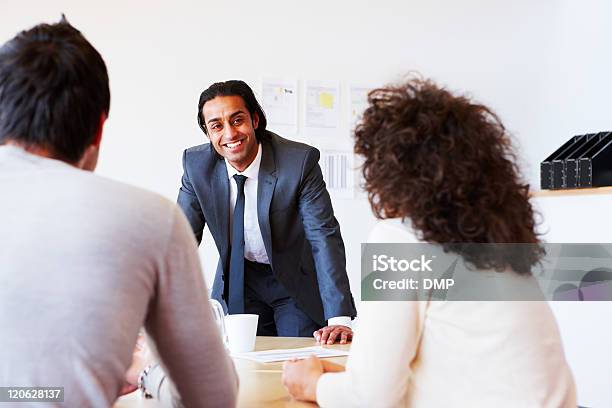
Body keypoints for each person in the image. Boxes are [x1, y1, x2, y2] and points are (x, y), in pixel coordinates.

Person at [282, 77, 577, 407]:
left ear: (391, 171)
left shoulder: (400, 239)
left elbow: (371, 399)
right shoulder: (496, 243)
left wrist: (311, 384)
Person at [0, 18, 237, 407]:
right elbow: (212, 398)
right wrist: (144, 366)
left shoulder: (297, 163)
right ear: (98, 129)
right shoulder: (150, 216)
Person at [177, 80, 356, 342]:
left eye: (237, 120)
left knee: (293, 360)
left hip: (292, 279)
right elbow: (180, 241)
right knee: (239, 362)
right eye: (216, 126)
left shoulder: (299, 162)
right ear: (207, 133)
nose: (229, 134)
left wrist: (339, 319)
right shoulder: (196, 166)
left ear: (255, 120)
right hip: (239, 279)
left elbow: (323, 236)